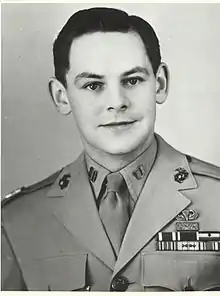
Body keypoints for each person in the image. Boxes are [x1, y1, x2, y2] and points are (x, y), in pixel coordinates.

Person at [1, 7, 220, 291]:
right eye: (93, 85)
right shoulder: (16, 221)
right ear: (62, 97)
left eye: (132, 80)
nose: (117, 102)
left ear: (160, 84)